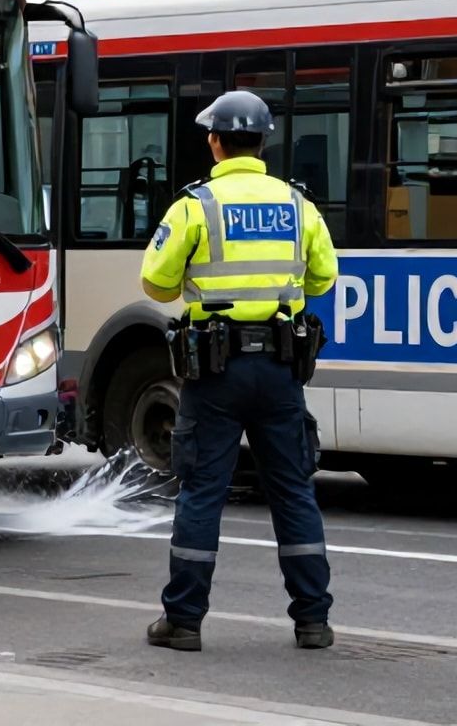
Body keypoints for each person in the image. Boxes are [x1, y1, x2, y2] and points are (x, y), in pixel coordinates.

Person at [140, 91, 339, 653]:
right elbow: (323, 278)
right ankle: (313, 621)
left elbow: (154, 283)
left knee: (203, 492)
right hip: (280, 369)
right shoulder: (298, 204)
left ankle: (182, 621)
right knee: (294, 492)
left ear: (215, 142)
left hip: (215, 371)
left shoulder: (194, 206)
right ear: (265, 142)